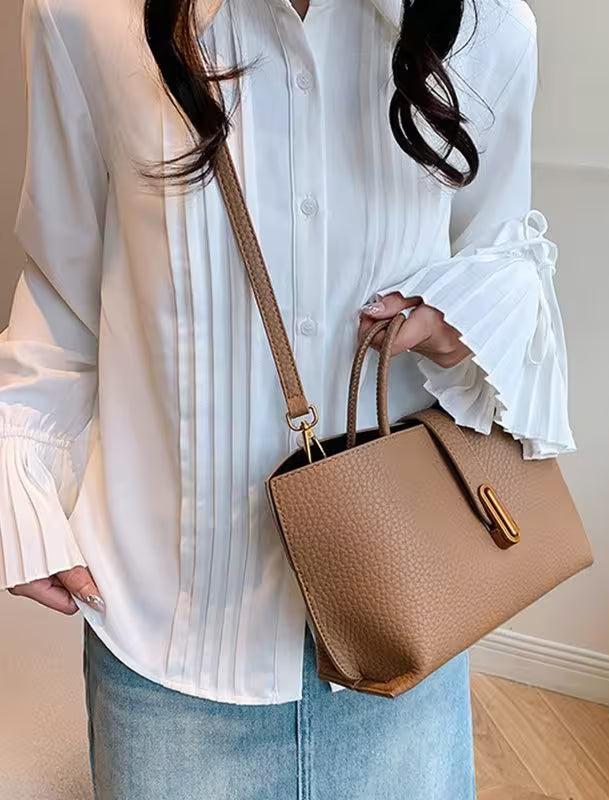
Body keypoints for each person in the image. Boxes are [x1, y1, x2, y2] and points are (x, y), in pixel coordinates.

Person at [1, 0, 576, 796]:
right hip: (166, 647)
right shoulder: (83, 13)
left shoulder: (486, 26)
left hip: (404, 626)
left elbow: (507, 256)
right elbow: (62, 297)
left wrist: (460, 321)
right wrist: (19, 480)